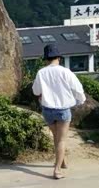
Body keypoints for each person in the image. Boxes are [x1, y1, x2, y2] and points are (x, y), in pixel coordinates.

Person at [32, 44, 86, 180]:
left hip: (47, 110)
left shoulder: (41, 72)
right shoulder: (66, 72)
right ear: (59, 58)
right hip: (63, 110)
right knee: (61, 139)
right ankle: (57, 170)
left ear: (46, 59)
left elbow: (36, 91)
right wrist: (81, 101)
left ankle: (62, 161)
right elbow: (78, 89)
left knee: (56, 136)